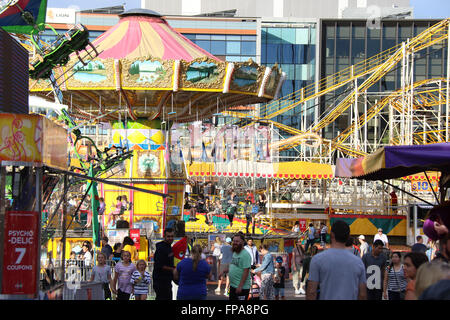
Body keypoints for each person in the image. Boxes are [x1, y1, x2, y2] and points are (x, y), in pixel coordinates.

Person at [306, 220, 367, 300]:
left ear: (331, 235)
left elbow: (311, 292)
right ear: (348, 236)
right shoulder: (358, 262)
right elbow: (362, 294)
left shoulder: (317, 260)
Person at [220, 233, 252, 300]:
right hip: (233, 286)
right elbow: (233, 265)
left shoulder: (245, 255)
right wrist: (224, 271)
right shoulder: (235, 252)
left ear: (243, 242)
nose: (235, 243)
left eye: (237, 241)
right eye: (234, 241)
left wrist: (240, 286)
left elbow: (246, 272)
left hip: (242, 288)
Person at [153, 228, 175, 300]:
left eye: (172, 236)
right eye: (168, 236)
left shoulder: (169, 247)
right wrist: (173, 269)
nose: (170, 238)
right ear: (164, 237)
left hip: (167, 280)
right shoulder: (161, 248)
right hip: (160, 281)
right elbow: (159, 265)